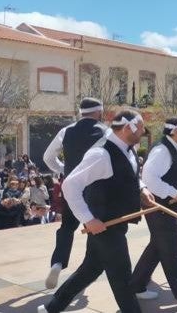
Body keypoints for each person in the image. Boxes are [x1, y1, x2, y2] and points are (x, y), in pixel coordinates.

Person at [38, 109, 145, 313]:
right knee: (122, 277)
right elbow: (70, 186)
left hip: (115, 223)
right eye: (140, 127)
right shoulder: (101, 154)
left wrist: (143, 189)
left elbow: (129, 176)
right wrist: (88, 219)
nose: (143, 131)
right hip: (104, 226)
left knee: (90, 269)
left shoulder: (127, 149)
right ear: (127, 127)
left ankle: (51, 308)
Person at [129, 117, 177, 304]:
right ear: (176, 131)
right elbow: (149, 176)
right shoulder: (163, 150)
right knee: (172, 248)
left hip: (163, 206)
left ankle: (135, 286)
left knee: (157, 247)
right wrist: (173, 192)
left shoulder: (170, 148)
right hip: (161, 207)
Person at [42, 97, 108, 289]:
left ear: (81, 112)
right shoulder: (106, 131)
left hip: (71, 185)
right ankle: (86, 271)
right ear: (99, 112)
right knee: (94, 228)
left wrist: (64, 169)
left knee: (67, 226)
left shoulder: (66, 131)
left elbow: (48, 157)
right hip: (95, 188)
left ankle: (58, 263)